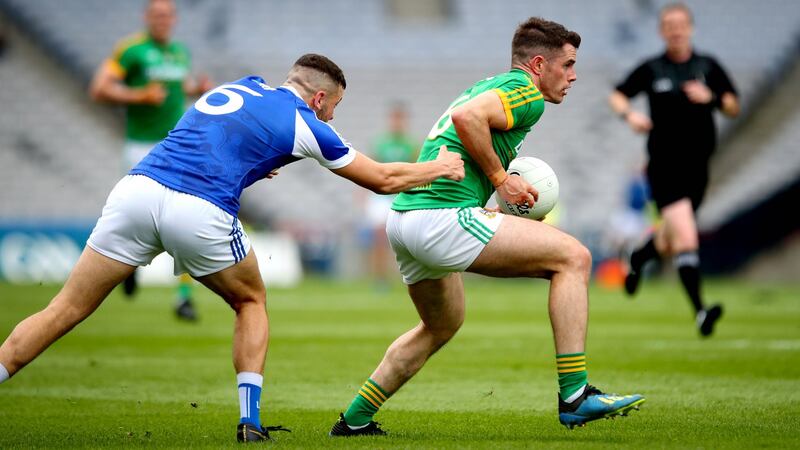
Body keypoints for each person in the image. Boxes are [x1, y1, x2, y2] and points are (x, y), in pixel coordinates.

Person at [0, 53, 465, 443]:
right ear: (319, 97)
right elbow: (382, 178)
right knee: (249, 300)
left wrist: (254, 164)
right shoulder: (308, 122)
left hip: (138, 190)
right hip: (200, 209)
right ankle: (250, 421)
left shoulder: (240, 87)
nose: (333, 117)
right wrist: (441, 167)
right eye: (334, 106)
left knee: (65, 308)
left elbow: (218, 135)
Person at [329, 17, 644, 437]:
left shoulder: (490, 85)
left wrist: (495, 195)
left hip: (406, 220)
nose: (573, 75)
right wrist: (502, 180)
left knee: (442, 324)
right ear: (537, 64)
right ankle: (575, 395)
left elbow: (467, 131)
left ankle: (353, 420)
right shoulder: (525, 92)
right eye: (567, 64)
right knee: (574, 257)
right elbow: (466, 119)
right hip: (441, 219)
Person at [608, 2, 740, 337]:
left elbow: (733, 105)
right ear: (661, 31)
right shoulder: (652, 69)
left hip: (699, 168)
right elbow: (619, 95)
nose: (676, 30)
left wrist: (711, 98)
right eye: (669, 25)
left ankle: (637, 258)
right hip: (664, 167)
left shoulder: (708, 66)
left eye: (681, 24)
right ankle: (700, 310)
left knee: (669, 241)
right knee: (687, 237)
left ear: (691, 28)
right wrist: (631, 116)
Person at [89, 0, 214, 321]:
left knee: (187, 215)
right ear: (147, 18)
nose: (163, 20)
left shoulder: (179, 52)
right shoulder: (131, 50)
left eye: (168, 15)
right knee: (132, 217)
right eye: (157, 15)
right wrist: (138, 96)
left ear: (174, 19)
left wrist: (196, 89)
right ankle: (127, 267)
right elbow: (99, 88)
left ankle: (184, 296)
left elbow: (176, 89)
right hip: (140, 147)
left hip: (175, 145)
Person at [363, 102, 418, 287]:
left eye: (400, 119)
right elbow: (369, 169)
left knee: (407, 240)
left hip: (401, 196)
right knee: (379, 239)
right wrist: (363, 194)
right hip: (381, 197)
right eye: (394, 119)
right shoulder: (381, 142)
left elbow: (417, 171)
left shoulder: (411, 144)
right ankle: (380, 279)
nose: (397, 123)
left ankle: (411, 277)